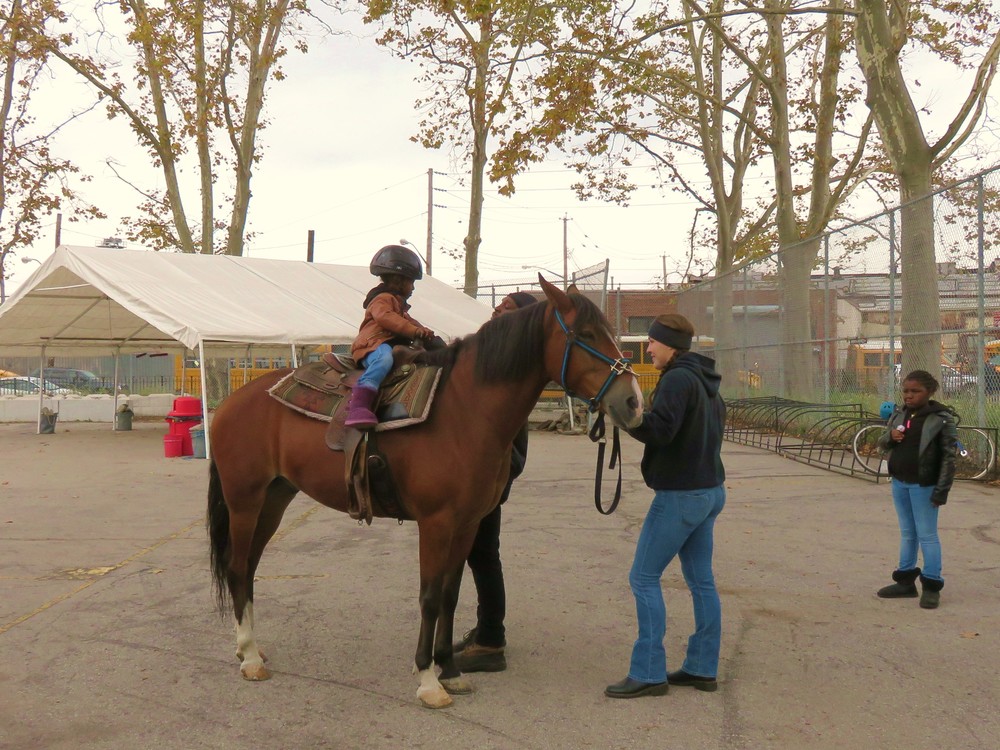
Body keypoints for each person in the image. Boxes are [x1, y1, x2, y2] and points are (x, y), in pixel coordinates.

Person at [605, 313, 726, 699]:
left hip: (680, 496)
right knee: (701, 582)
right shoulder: (706, 380)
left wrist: (625, 417)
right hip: (709, 490)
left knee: (642, 578)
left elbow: (661, 431)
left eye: (653, 342)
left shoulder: (676, 379)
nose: (649, 348)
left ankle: (649, 672)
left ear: (670, 345)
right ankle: (702, 667)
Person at [453, 291, 538, 673]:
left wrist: (493, 482)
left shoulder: (512, 373)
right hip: (474, 478)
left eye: (507, 308)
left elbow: (512, 446)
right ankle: (488, 633)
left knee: (483, 556)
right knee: (481, 556)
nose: (497, 310)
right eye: (498, 305)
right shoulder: (496, 362)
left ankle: (491, 642)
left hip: (484, 481)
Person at [875, 369, 957, 609]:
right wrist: (890, 437)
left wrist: (941, 491)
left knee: (927, 535)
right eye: (906, 391)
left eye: (915, 391)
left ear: (929, 392)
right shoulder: (900, 414)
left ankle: (932, 586)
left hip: (925, 485)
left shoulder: (941, 418)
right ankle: (905, 581)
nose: (909, 396)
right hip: (900, 481)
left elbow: (949, 459)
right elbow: (881, 444)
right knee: (907, 532)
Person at [345, 245, 435, 429]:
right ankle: (359, 405)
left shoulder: (399, 306)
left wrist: (426, 332)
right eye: (411, 282)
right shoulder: (382, 299)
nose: (413, 288)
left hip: (384, 343)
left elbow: (411, 322)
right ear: (398, 281)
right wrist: (414, 331)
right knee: (384, 360)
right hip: (373, 345)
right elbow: (385, 317)